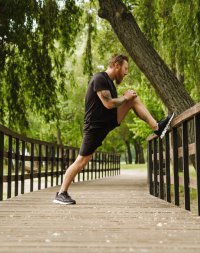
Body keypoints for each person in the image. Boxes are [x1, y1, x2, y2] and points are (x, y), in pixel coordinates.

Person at [53, 54, 174, 205]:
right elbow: (109, 104)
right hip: (94, 127)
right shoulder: (100, 79)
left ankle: (157, 127)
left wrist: (127, 97)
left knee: (133, 99)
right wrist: (125, 97)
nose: (126, 72)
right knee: (82, 160)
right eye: (125, 68)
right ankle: (61, 193)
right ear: (116, 65)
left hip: (107, 121)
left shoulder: (109, 83)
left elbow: (114, 105)